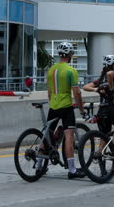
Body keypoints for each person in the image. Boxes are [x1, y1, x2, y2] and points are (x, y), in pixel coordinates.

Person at [45, 42, 87, 179]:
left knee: (47, 135)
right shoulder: (71, 71)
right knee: (69, 136)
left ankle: (39, 165)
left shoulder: (51, 70)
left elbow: (50, 91)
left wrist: (53, 103)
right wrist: (81, 109)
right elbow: (77, 93)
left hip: (53, 106)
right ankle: (72, 170)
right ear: (69, 55)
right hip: (66, 106)